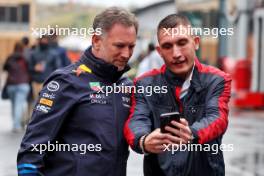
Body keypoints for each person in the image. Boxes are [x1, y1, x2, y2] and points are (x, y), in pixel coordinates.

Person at [17, 7, 138, 176]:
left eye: (131, 46)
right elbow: (31, 151)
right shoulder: (65, 82)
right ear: (96, 40)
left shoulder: (126, 86)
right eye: (119, 45)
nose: (126, 54)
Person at [124, 14, 232, 176]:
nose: (176, 53)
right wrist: (143, 141)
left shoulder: (217, 80)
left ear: (195, 42)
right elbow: (137, 119)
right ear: (159, 51)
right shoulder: (144, 84)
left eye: (182, 43)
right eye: (167, 46)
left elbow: (218, 117)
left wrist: (192, 133)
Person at [3, 42, 30, 132]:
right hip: (23, 83)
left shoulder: (10, 57)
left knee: (14, 105)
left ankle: (16, 123)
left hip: (11, 84)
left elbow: (5, 68)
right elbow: (30, 69)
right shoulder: (25, 58)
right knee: (20, 104)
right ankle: (17, 124)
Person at [28, 36, 61, 102]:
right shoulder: (34, 53)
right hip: (36, 81)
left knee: (45, 102)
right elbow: (29, 67)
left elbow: (57, 68)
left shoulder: (53, 54)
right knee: (36, 101)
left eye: (45, 41)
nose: (44, 42)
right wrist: (35, 68)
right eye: (42, 41)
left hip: (48, 82)